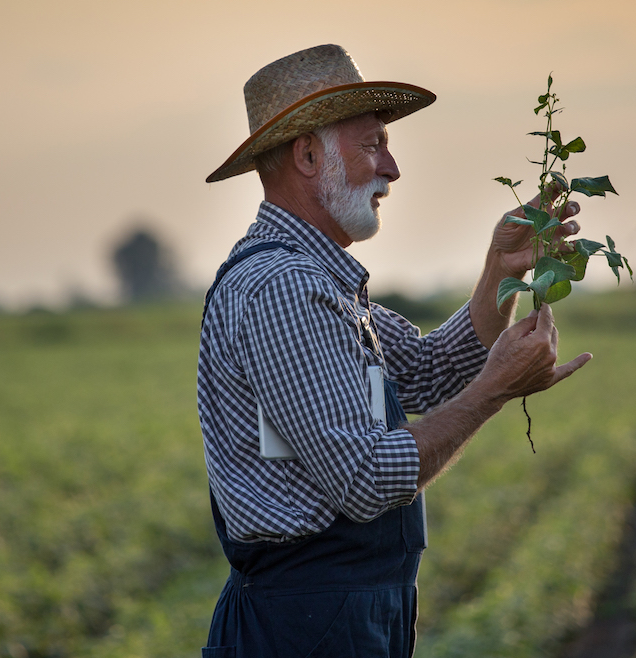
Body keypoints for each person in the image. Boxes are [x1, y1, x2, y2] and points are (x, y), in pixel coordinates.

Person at [198, 44, 591, 658]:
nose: (393, 168)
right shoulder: (284, 289)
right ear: (307, 155)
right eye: (373, 145)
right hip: (304, 623)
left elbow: (431, 371)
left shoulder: (321, 284)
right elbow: (364, 477)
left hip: (341, 612)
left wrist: (501, 269)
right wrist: (493, 392)